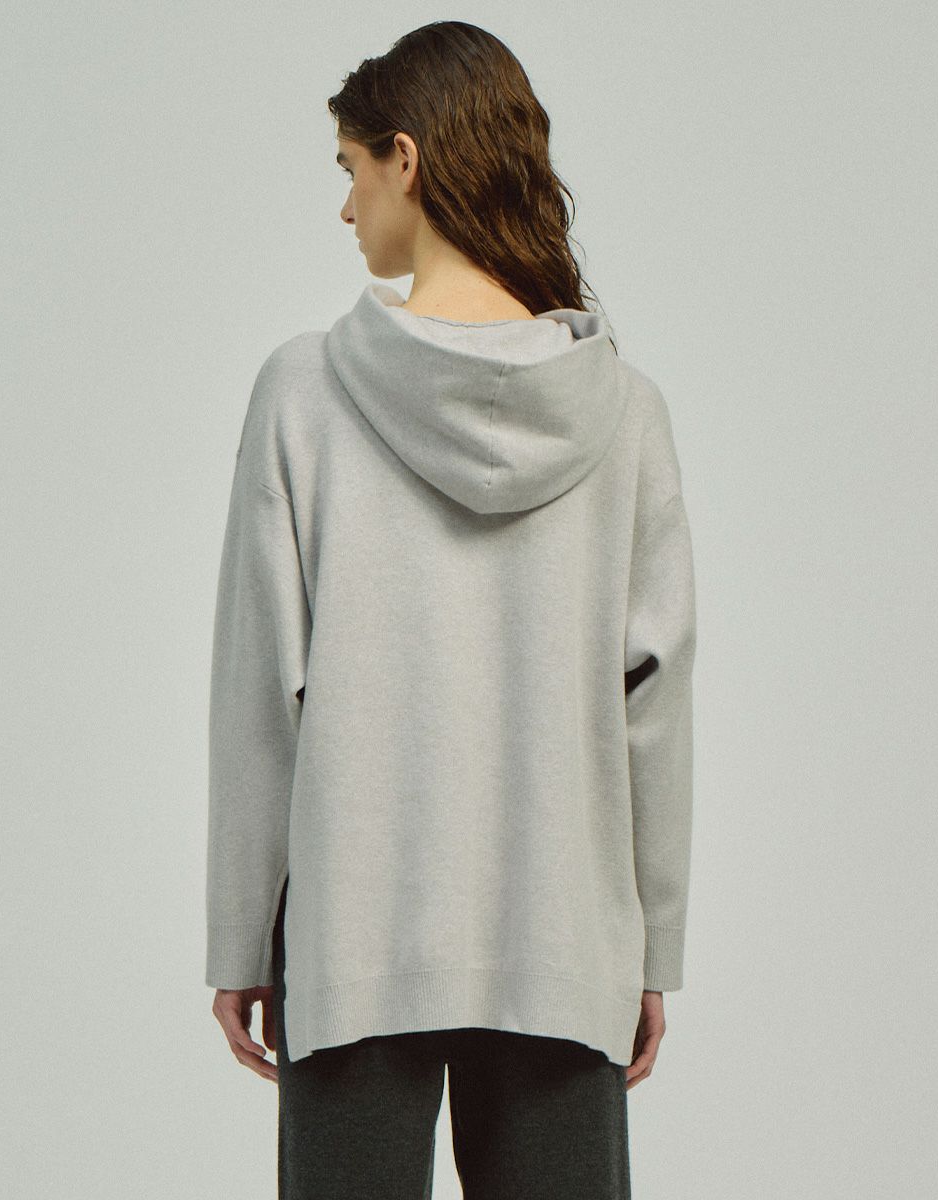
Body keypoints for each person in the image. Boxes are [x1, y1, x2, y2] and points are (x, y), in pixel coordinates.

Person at [204, 19, 696, 1199]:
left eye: (350, 168)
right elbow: (654, 702)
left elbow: (262, 692)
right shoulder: (623, 411)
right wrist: (647, 947)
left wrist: (240, 933)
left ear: (406, 158)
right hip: (564, 940)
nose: (346, 207)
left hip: (354, 937)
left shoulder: (304, 393)